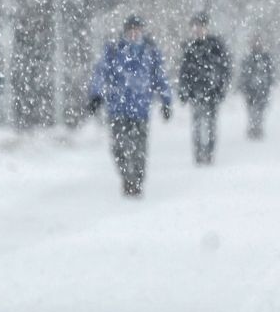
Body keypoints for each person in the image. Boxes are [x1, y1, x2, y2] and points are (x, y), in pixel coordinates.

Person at [87, 15, 173, 198]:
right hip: (117, 108)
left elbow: (160, 78)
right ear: (125, 32)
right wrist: (96, 95)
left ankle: (137, 182)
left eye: (137, 30)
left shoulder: (150, 53)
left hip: (141, 109)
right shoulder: (113, 51)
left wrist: (166, 101)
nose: (134, 33)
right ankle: (127, 177)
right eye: (130, 30)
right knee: (118, 147)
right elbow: (101, 73)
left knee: (139, 149)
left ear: (141, 31)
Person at [177, 12, 232, 165]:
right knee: (197, 124)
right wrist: (183, 90)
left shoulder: (215, 46)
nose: (198, 30)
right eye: (195, 27)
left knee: (210, 125)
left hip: (212, 93)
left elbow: (224, 69)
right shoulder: (190, 47)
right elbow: (184, 71)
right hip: (195, 93)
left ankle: (209, 152)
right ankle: (198, 153)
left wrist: (221, 88)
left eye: (200, 26)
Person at [238, 35, 276, 140]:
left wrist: (268, 84)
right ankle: (253, 126)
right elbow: (244, 73)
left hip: (262, 89)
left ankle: (257, 127)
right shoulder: (249, 58)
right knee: (252, 109)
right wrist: (243, 86)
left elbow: (270, 72)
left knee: (260, 109)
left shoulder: (265, 57)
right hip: (251, 89)